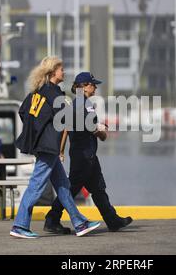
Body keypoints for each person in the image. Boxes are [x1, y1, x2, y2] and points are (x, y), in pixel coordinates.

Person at [11, 56, 100, 239]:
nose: (64, 72)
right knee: (36, 186)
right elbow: (69, 117)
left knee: (63, 185)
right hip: (48, 147)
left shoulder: (37, 92)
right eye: (61, 69)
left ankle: (80, 223)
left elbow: (23, 112)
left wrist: (38, 130)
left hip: (44, 145)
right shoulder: (55, 94)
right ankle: (20, 225)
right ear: (53, 73)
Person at [44, 72, 133, 234]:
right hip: (84, 156)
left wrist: (62, 151)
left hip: (82, 154)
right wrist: (103, 132)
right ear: (84, 86)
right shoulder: (85, 104)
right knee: (71, 189)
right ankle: (52, 219)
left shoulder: (74, 104)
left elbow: (66, 129)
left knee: (98, 189)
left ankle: (112, 220)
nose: (95, 87)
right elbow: (92, 128)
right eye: (93, 84)